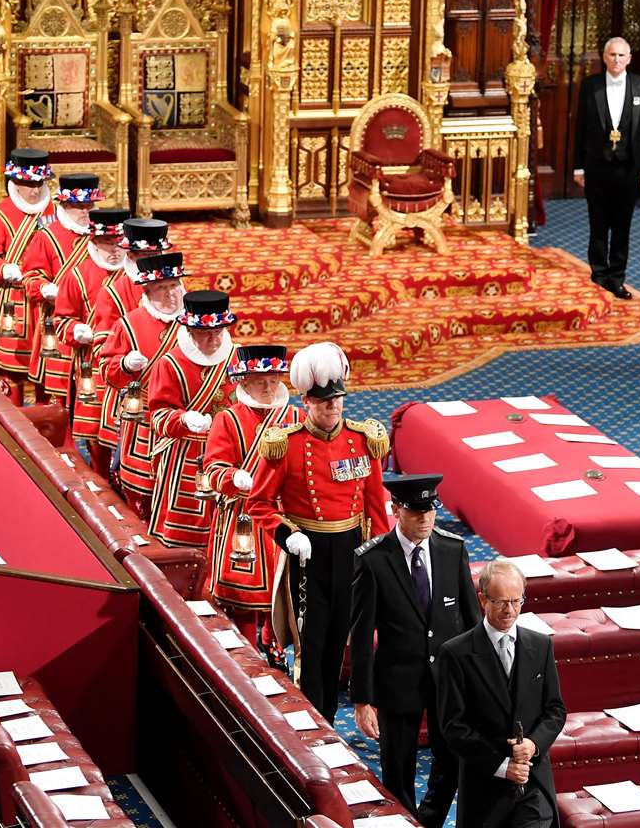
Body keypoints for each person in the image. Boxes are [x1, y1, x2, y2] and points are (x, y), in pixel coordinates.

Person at [249, 341, 392, 720]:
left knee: (341, 643)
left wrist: (383, 555)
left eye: (338, 399)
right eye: (324, 401)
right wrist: (286, 535)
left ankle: (330, 717)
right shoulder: (287, 444)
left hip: (351, 552)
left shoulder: (363, 440)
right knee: (311, 648)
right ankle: (317, 724)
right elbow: (258, 504)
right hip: (307, 554)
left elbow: (375, 506)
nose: (333, 407)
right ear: (306, 402)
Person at [351, 474, 480, 826]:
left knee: (451, 760)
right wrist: (362, 701)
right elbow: (361, 636)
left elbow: (472, 621)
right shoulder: (374, 560)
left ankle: (429, 820)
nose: (425, 518)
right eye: (416, 511)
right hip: (397, 683)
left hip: (448, 682)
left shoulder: (452, 550)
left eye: (430, 511)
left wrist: (479, 679)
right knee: (398, 768)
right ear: (395, 510)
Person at [436, 559, 566, 828]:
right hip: (485, 790)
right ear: (483, 600)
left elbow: (555, 710)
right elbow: (453, 727)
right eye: (501, 602)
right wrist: (502, 766)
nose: (510, 610)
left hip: (533, 784)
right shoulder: (455, 653)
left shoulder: (541, 646)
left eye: (517, 601)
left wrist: (533, 744)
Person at [203, 344, 300, 651]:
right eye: (261, 382)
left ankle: (274, 645)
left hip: (283, 515)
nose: (269, 388)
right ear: (243, 382)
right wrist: (234, 477)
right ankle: (246, 649)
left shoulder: (296, 416)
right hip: (242, 517)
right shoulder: (228, 420)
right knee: (242, 595)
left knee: (284, 590)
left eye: (274, 380)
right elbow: (213, 469)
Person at [147, 289, 238, 547]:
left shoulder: (237, 357)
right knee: (183, 538)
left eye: (218, 332)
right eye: (205, 333)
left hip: (230, 453)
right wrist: (183, 419)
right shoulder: (170, 363)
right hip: (186, 458)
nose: (213, 339)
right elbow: (157, 416)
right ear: (189, 332)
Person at [100, 250, 187, 517]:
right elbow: (106, 369)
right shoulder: (129, 324)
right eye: (162, 288)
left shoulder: (194, 324)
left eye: (174, 286)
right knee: (142, 497)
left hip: (184, 425)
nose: (171, 294)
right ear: (147, 291)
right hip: (142, 425)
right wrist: (125, 364)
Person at [572, 37, 640, 300]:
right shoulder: (590, 86)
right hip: (597, 167)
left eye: (621, 55)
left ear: (629, 59)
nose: (617, 60)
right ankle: (598, 276)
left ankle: (617, 278)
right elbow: (580, 129)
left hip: (629, 168)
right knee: (598, 225)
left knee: (622, 226)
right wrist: (578, 167)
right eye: (612, 55)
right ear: (604, 57)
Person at [0, 148, 54, 404]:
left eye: (39, 183)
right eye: (28, 184)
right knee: (10, 372)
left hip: (45, 303)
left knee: (48, 371)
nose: (34, 190)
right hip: (12, 302)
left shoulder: (54, 211)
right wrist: (3, 269)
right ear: (15, 183)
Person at [55, 207, 128, 474]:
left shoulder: (134, 275)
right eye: (108, 243)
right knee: (97, 432)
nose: (115, 250)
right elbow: (61, 321)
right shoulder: (77, 275)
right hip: (92, 365)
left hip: (127, 365)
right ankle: (100, 479)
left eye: (120, 243)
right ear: (94, 242)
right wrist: (76, 330)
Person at [23, 172, 101, 391]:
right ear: (64, 205)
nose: (86, 212)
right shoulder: (46, 236)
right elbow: (29, 279)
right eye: (80, 207)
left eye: (90, 205)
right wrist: (46, 289)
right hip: (59, 324)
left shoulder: (103, 238)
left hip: (94, 322)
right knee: (56, 397)